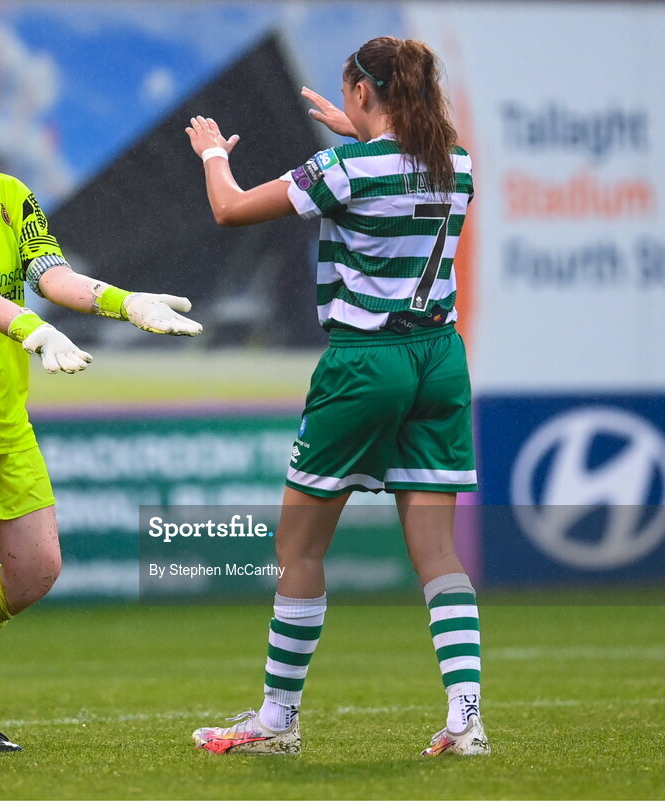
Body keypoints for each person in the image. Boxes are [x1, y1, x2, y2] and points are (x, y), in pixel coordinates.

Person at [0, 50, 202, 753]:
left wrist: (125, 302)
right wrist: (35, 332)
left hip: (1, 411)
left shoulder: (12, 193)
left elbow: (50, 274)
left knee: (36, 569)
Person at [185, 36, 488, 757]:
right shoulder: (459, 165)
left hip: (365, 363)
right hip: (440, 358)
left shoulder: (345, 168)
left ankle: (277, 718)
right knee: (438, 551)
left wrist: (211, 154)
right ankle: (466, 715)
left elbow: (230, 210)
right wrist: (360, 130)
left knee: (298, 546)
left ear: (361, 91)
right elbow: (401, 166)